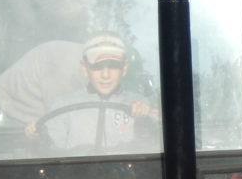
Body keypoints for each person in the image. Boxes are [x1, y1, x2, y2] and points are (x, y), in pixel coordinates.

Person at [28, 32, 159, 152]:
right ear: (85, 68)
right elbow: (53, 150)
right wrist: (39, 135)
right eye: (97, 67)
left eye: (113, 66)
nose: (105, 75)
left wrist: (142, 123)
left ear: (124, 68)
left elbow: (149, 149)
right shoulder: (63, 104)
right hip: (77, 174)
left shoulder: (139, 104)